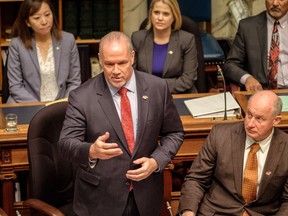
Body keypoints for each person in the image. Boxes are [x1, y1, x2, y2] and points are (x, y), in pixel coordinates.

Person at [58, 31, 184, 216]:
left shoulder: (158, 88)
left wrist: (156, 161)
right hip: (100, 200)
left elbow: (174, 133)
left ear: (132, 57)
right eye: (109, 64)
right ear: (100, 60)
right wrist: (91, 151)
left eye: (122, 63)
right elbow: (66, 144)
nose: (116, 71)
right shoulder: (82, 97)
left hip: (146, 196)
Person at [178, 90, 288, 215]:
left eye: (259, 119)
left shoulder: (285, 148)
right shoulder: (220, 135)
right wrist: (188, 212)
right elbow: (196, 180)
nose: (250, 124)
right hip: (218, 211)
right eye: (249, 115)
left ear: (276, 120)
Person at [6, 0, 81, 103]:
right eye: (37, 18)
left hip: (61, 104)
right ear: (27, 22)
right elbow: (16, 87)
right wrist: (39, 107)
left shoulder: (68, 40)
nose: (44, 21)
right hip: (28, 103)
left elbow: (74, 82)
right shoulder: (17, 45)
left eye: (47, 14)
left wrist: (61, 104)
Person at [131, 0, 198, 94]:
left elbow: (188, 80)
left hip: (178, 95)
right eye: (156, 12)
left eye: (166, 14)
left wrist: (155, 86)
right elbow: (131, 74)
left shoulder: (187, 40)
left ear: (174, 17)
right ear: (150, 14)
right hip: (146, 95)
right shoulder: (137, 38)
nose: (160, 18)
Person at [223, 0, 288, 91]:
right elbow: (230, 65)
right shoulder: (248, 27)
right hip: (260, 93)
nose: (275, 3)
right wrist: (247, 78)